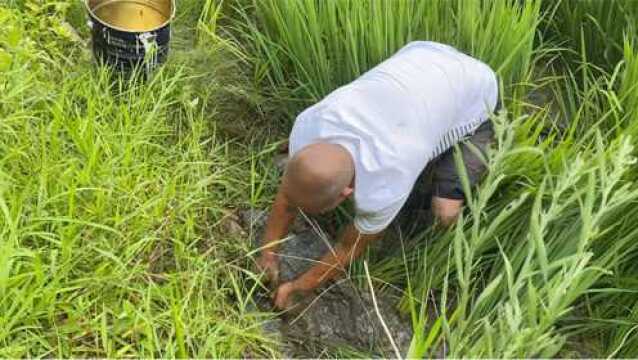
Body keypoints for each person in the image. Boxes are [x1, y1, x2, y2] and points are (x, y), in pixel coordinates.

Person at [257, 41, 499, 310]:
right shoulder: (308, 126)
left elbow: (350, 247)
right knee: (421, 146)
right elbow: (288, 196)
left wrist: (301, 287)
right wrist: (267, 254)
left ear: (346, 194)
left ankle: (472, 174)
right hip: (424, 55)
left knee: (445, 212)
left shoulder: (387, 183)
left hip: (478, 94)